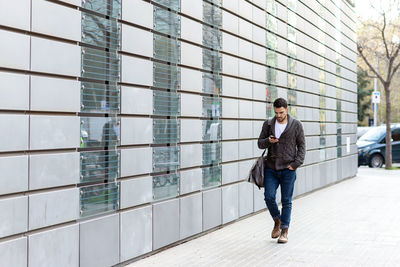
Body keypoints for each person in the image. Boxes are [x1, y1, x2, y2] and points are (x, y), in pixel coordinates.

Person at [258, 98, 305, 243]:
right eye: (276, 112)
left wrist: (296, 164)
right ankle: (277, 221)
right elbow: (260, 143)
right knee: (269, 197)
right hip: (271, 168)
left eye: (281, 112)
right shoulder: (268, 124)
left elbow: (302, 146)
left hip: (288, 169)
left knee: (286, 200)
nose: (278, 115)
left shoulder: (296, 125)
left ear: (287, 109)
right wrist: (268, 141)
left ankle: (284, 231)